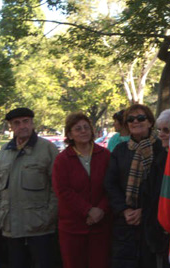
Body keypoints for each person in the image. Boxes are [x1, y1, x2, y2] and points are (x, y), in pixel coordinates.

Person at [104, 104, 166, 268]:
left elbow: (163, 186)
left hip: (154, 222)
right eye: (130, 119)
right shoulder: (120, 150)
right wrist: (125, 210)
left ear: (150, 122)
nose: (135, 122)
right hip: (125, 223)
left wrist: (144, 211)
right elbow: (111, 183)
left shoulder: (162, 148)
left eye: (141, 118)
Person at [0, 107, 58, 268]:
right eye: (17, 123)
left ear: (32, 123)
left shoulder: (47, 149)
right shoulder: (3, 152)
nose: (22, 126)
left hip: (40, 228)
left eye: (25, 121)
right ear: (11, 127)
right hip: (10, 227)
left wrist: (48, 216)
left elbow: (57, 187)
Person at [52, 112, 111, 268]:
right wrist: (88, 210)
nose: (83, 131)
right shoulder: (62, 159)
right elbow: (63, 191)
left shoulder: (105, 155)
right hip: (72, 228)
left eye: (86, 127)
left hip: (101, 226)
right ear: (70, 135)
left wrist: (100, 210)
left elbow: (112, 186)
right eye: (78, 129)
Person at [142, 107, 170, 268]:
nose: (161, 134)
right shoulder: (160, 158)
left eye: (166, 130)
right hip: (158, 233)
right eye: (159, 129)